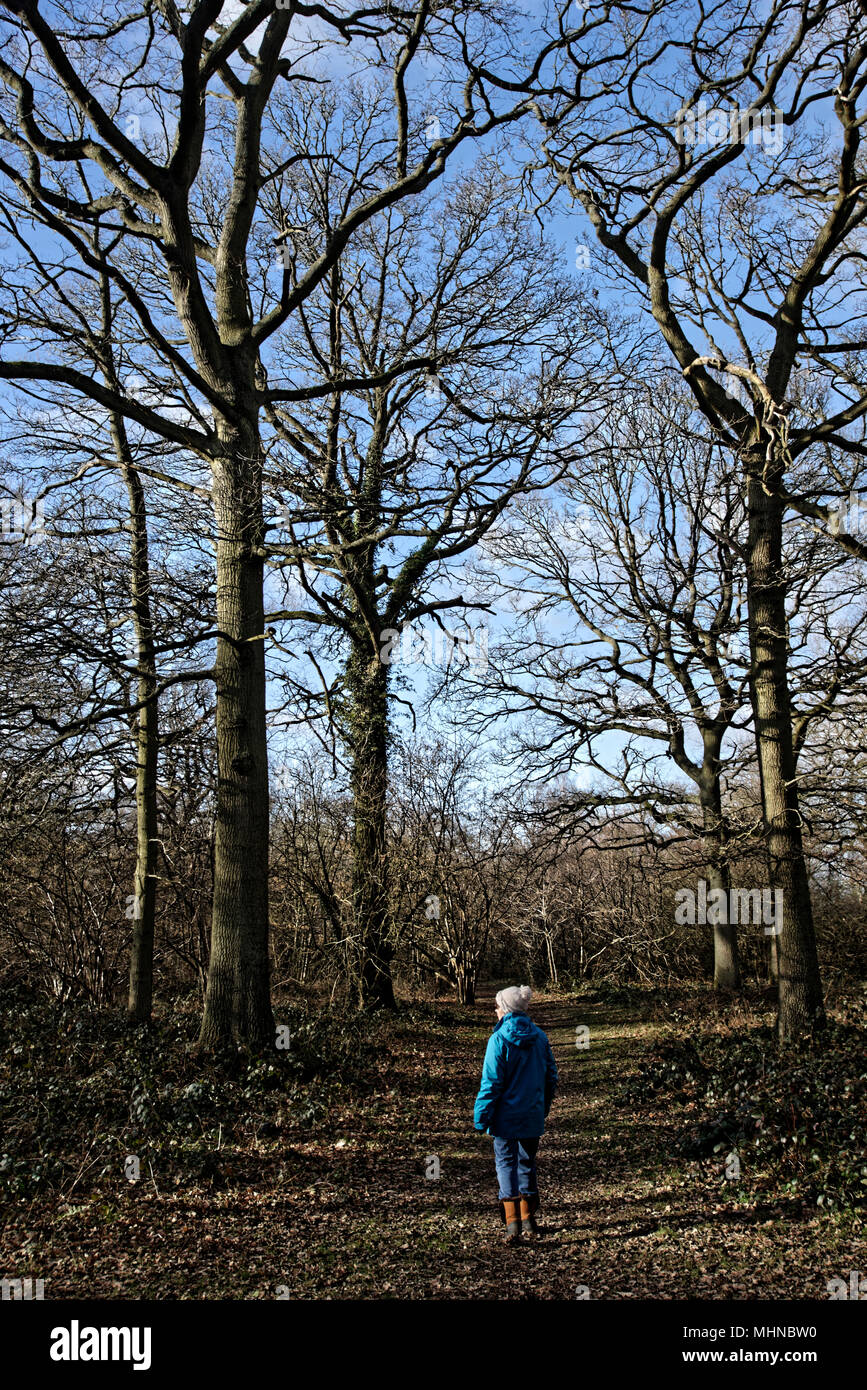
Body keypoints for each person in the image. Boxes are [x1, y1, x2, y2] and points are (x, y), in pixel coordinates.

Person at [473, 984, 559, 1243]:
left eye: (498, 1007)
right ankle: (528, 1220)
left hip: (504, 1118)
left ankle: (512, 1224)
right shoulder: (540, 1037)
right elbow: (550, 1077)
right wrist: (542, 1108)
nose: (496, 1011)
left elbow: (491, 1082)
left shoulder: (498, 1039)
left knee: (505, 1163)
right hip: (531, 1116)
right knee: (526, 1163)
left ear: (506, 1010)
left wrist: (481, 1117)